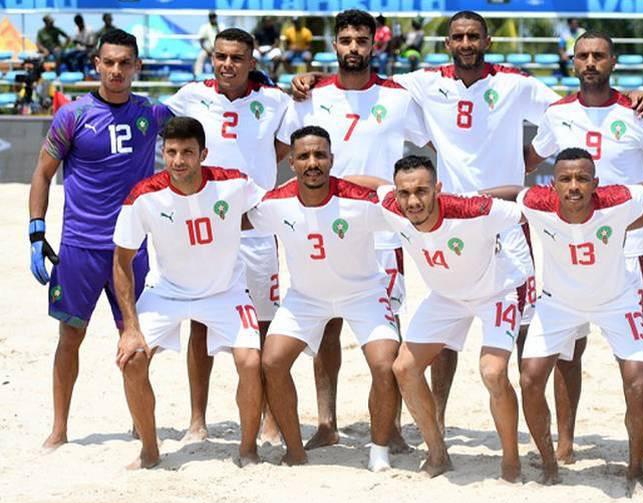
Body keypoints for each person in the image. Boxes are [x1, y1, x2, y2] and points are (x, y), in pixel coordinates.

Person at [292, 10, 643, 433]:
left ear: (487, 41)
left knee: (525, 320)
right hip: (447, 219)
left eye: (473, 36)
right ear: (448, 43)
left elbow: (577, 103)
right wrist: (314, 78)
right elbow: (360, 77)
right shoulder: (423, 82)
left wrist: (633, 96)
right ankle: (438, 419)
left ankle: (529, 427)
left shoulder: (515, 83)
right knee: (447, 319)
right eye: (458, 37)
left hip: (505, 220)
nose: (466, 43)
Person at [284, 9, 430, 450]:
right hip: (320, 227)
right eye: (346, 40)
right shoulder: (311, 96)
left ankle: (391, 426)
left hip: (381, 232)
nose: (353, 48)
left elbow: (436, 141)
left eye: (361, 40)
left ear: (373, 44)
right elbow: (283, 147)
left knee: (386, 330)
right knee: (326, 327)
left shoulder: (399, 97)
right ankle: (326, 423)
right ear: (335, 45)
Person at [524, 30, 643, 466]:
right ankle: (565, 443)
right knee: (568, 353)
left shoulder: (637, 112)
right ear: (573, 62)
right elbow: (530, 161)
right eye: (583, 56)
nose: (590, 62)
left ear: (613, 61)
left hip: (625, 248)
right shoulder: (557, 113)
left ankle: (637, 454)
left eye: (599, 56)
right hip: (568, 247)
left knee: (632, 361)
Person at [248, 125, 423, 471]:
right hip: (305, 298)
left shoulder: (359, 200)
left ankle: (379, 451)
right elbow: (232, 219)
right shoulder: (275, 203)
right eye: (303, 156)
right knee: (272, 362)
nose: (312, 163)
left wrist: (373, 182)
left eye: (320, 155)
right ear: (292, 163)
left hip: (364, 293)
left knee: (385, 364)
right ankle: (295, 451)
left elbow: (405, 203)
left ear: (332, 159)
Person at [28, 29, 170, 450]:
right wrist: (36, 231)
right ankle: (59, 429)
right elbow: (42, 174)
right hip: (80, 248)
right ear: (96, 65)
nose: (116, 70)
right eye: (109, 62)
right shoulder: (72, 116)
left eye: (125, 63)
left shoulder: (152, 113)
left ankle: (139, 422)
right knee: (70, 338)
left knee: (138, 343)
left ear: (137, 66)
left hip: (131, 249)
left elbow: (210, 109)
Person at [163, 27, 295, 441]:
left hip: (256, 229)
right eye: (221, 56)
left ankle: (270, 419)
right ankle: (197, 420)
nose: (227, 64)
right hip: (206, 229)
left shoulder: (275, 101)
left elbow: (283, 147)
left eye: (237, 58)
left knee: (264, 324)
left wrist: (259, 171)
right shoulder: (190, 95)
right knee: (200, 323)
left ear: (251, 62)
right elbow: (169, 139)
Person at [113, 116, 266, 470]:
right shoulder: (144, 196)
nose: (178, 160)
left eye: (187, 152)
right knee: (132, 359)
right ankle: (150, 450)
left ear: (203, 154)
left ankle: (248, 450)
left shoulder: (234, 183)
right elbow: (121, 262)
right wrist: (130, 327)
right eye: (171, 152)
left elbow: (274, 208)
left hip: (225, 291)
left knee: (250, 362)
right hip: (166, 292)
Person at [388, 155, 530, 481]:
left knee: (493, 373)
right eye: (404, 193)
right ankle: (437, 454)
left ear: (438, 189)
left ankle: (511, 462)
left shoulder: (473, 210)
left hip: (496, 292)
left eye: (422, 191)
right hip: (445, 298)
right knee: (404, 368)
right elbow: (364, 186)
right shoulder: (391, 208)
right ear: (395, 194)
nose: (413, 201)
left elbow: (528, 204)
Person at [518, 148, 643, 487]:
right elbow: (510, 195)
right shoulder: (535, 204)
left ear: (596, 183)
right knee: (530, 379)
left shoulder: (619, 200)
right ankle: (550, 463)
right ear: (553, 185)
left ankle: (636, 468)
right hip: (558, 304)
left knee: (639, 382)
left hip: (616, 301)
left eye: (582, 178)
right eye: (565, 179)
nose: (574, 186)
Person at [193, 12, 220, 76]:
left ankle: (217, 75)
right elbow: (201, 41)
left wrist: (218, 29)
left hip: (217, 48)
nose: (212, 19)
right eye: (211, 17)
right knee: (200, 57)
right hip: (206, 48)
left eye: (214, 17)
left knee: (217, 60)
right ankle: (197, 75)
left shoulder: (220, 26)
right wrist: (207, 50)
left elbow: (222, 39)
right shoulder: (205, 27)